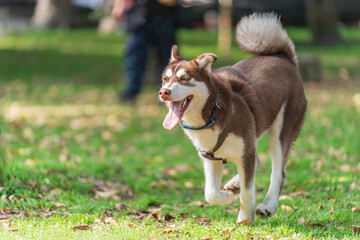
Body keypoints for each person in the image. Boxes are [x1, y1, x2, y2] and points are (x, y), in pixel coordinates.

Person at [112, 0, 177, 102]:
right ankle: (131, 91)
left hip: (164, 15)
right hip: (139, 15)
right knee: (135, 56)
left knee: (167, 58)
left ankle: (169, 92)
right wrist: (119, 4)